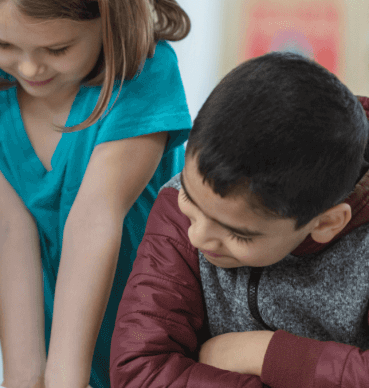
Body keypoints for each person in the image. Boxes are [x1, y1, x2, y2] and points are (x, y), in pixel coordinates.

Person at [0, 0, 193, 387]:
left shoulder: (143, 73)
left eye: (57, 48)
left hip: (149, 336)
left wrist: (65, 378)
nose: (29, 66)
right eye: (3, 43)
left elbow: (94, 218)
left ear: (107, 18)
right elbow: (5, 228)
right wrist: (23, 375)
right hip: (48, 325)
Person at [110, 52, 369, 387]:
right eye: (193, 202)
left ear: (326, 223)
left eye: (238, 234)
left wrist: (266, 355)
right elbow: (139, 370)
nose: (198, 237)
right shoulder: (178, 205)